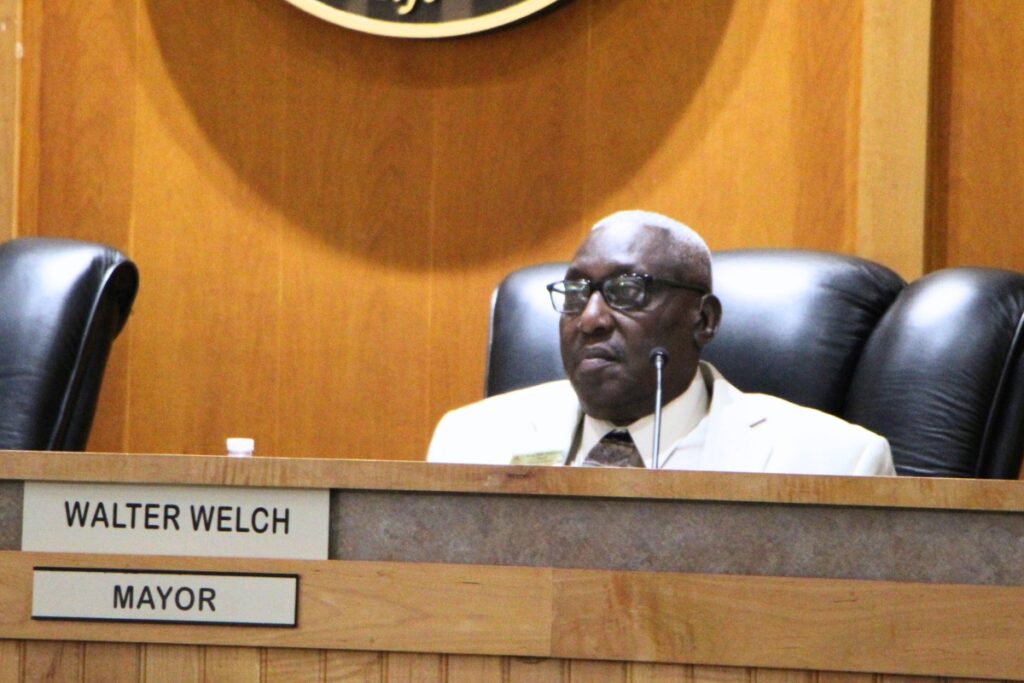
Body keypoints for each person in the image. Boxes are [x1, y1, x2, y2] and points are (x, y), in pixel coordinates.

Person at [427, 210, 895, 475]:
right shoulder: (469, 443)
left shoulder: (838, 463)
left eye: (627, 291)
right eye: (575, 294)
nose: (590, 319)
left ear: (704, 319)